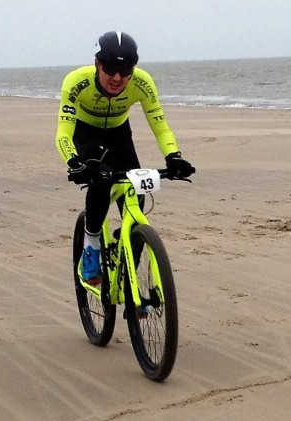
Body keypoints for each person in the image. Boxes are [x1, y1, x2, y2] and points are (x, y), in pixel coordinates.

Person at [56, 31, 194, 284]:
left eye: (126, 70)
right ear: (98, 64)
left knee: (137, 187)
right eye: (110, 69)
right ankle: (91, 245)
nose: (118, 78)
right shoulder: (75, 82)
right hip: (86, 134)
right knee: (100, 177)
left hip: (119, 133)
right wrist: (74, 163)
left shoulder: (142, 82)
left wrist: (174, 156)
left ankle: (129, 271)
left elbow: (160, 126)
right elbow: (63, 132)